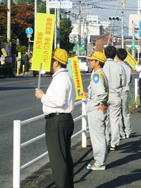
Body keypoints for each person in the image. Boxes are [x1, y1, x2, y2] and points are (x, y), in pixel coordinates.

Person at [35, 48, 75, 188]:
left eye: (51, 60)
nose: (49, 63)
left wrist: (42, 96)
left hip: (57, 120)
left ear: (56, 63)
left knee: (58, 160)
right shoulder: (67, 77)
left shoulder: (59, 79)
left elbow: (59, 101)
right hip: (65, 119)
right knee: (64, 157)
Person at [79, 51, 108, 171]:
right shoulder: (99, 74)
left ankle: (99, 163)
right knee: (99, 136)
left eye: (92, 60)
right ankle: (99, 161)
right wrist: (87, 94)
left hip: (95, 110)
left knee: (98, 137)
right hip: (96, 108)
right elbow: (97, 92)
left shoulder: (96, 75)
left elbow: (101, 93)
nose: (90, 61)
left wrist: (101, 103)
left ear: (97, 62)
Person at [103, 46, 126, 151]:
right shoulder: (119, 67)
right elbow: (124, 83)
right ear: (115, 55)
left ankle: (105, 141)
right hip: (116, 95)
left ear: (105, 54)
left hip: (103, 96)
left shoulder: (101, 66)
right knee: (115, 119)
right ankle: (114, 143)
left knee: (104, 120)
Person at [116, 48, 132, 139]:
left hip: (117, 91)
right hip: (125, 91)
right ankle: (128, 131)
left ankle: (121, 132)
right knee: (125, 113)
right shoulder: (128, 67)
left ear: (116, 56)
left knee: (118, 113)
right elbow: (130, 79)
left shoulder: (116, 66)